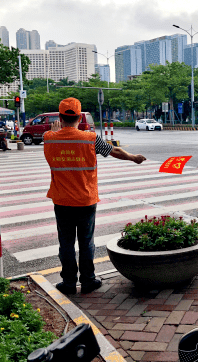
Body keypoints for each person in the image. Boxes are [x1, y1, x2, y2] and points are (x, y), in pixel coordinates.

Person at [44, 97, 146, 295]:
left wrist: (55, 132)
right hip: (86, 199)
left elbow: (52, 142)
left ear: (60, 117)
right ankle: (88, 280)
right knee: (86, 241)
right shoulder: (89, 138)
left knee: (65, 243)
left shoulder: (50, 137)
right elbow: (114, 150)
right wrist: (133, 158)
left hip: (62, 200)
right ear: (80, 117)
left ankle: (69, 283)